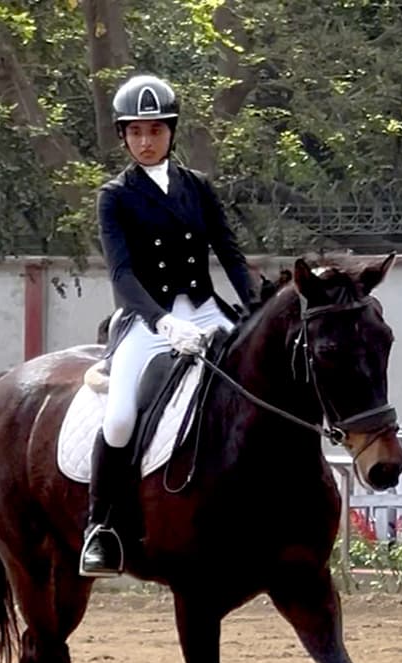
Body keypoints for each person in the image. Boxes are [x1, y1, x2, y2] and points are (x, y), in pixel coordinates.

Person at [79, 73, 257, 577]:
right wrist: (162, 324)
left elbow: (229, 252)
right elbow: (120, 274)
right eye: (135, 132)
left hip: (204, 306)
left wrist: (254, 305)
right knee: (117, 419)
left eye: (154, 130)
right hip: (144, 315)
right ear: (123, 136)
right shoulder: (114, 196)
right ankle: (102, 527)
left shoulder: (197, 187)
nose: (145, 141)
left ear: (170, 133)